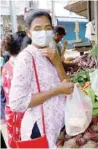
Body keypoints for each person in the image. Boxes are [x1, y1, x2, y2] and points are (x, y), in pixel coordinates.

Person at [9, 10, 74, 148]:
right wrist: (55, 91)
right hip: (39, 129)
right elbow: (17, 102)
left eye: (47, 28)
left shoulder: (50, 52)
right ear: (29, 32)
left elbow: (68, 88)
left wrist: (57, 62)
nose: (43, 32)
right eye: (37, 29)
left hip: (56, 125)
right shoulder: (26, 58)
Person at [1, 31, 26, 147]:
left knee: (17, 143)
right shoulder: (20, 67)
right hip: (20, 115)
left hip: (11, 113)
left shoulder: (7, 66)